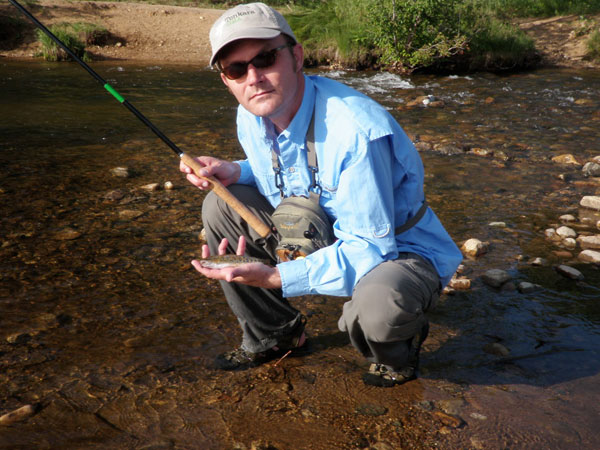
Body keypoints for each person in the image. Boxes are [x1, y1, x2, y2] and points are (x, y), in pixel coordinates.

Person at [180, 2, 462, 387]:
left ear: (296, 56)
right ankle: (276, 336)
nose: (254, 77)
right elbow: (283, 172)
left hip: (395, 248)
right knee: (219, 202)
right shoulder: (252, 113)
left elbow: (369, 250)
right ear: (225, 79)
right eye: (235, 68)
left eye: (265, 58)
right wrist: (234, 171)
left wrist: (277, 277)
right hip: (324, 229)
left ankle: (395, 356)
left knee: (378, 307)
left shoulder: (355, 132)